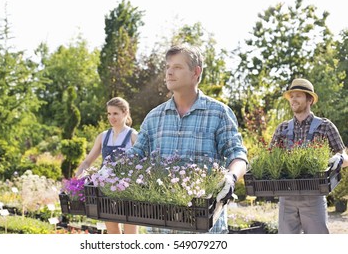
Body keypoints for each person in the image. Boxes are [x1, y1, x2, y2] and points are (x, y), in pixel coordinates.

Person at [127, 44, 248, 234]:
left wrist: (231, 178)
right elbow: (135, 156)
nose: (169, 72)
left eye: (177, 67)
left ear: (195, 72)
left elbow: (238, 154)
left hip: (204, 228)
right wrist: (107, 173)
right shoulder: (154, 117)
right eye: (167, 67)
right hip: (162, 227)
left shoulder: (218, 113)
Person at [270, 78, 346, 234]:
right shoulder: (282, 128)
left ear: (310, 99)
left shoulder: (325, 126)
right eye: (291, 96)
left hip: (314, 196)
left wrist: (338, 160)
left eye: (298, 95)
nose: (293, 99)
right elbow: (270, 157)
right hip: (286, 198)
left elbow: (343, 155)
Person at [75, 97, 139, 234]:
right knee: (113, 234)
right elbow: (87, 162)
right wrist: (77, 178)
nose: (111, 117)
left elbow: (144, 162)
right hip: (106, 190)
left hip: (128, 191)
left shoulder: (133, 136)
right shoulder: (103, 136)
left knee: (130, 236)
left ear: (125, 113)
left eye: (115, 113)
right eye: (109, 114)